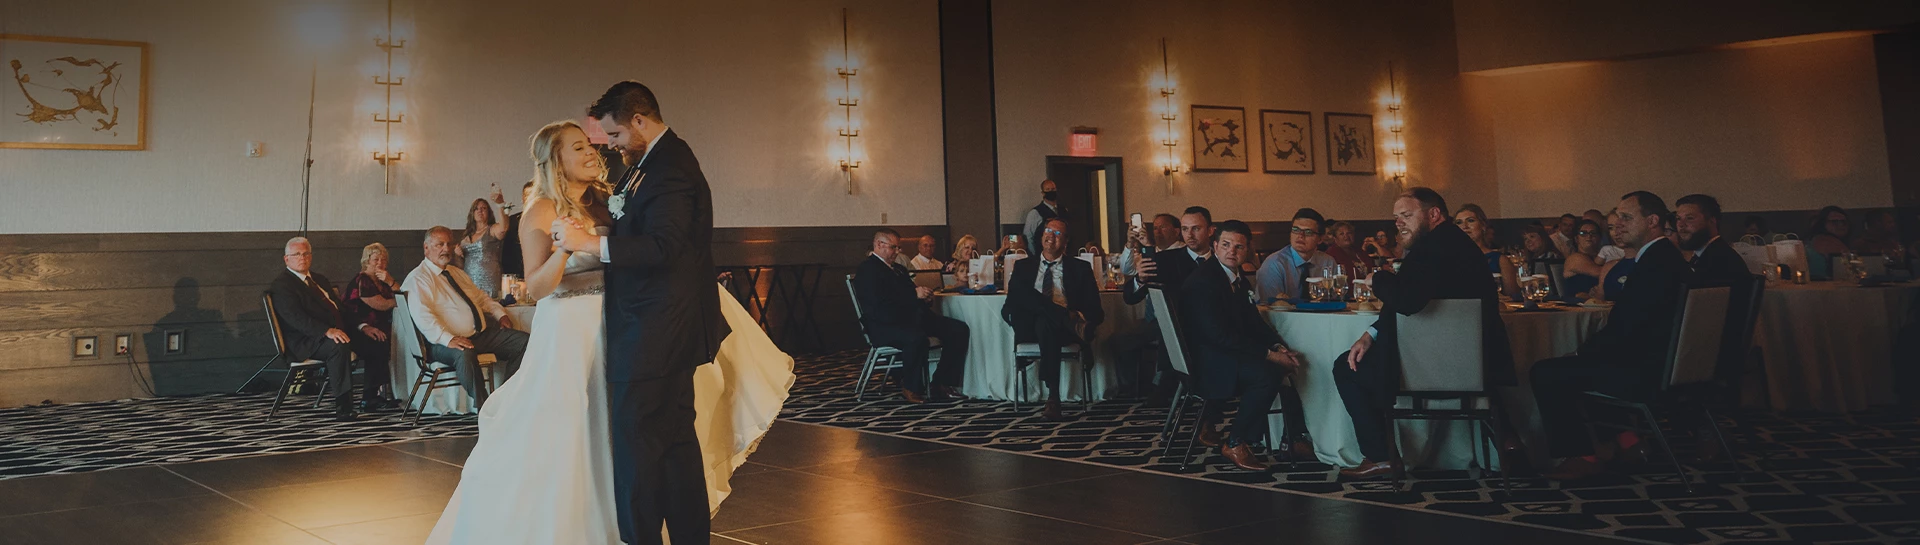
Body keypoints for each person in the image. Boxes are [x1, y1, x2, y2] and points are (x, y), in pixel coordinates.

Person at [431, 119, 792, 545]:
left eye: (590, 146)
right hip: (571, 327)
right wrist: (566, 247)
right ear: (555, 160)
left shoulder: (608, 200)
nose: (590, 153)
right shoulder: (542, 209)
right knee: (578, 422)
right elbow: (538, 285)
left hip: (622, 320)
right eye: (578, 147)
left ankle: (632, 518)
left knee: (625, 426)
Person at [1332, 188, 1517, 479]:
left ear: (1434, 214)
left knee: (1346, 368)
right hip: (1477, 367)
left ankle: (1380, 456)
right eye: (1396, 218)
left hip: (1429, 369)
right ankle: (1509, 443)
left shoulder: (1430, 250)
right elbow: (1419, 299)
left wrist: (1378, 278)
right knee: (1364, 357)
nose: (1399, 224)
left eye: (1406, 215)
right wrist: (1372, 333)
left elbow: (1407, 302)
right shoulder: (1457, 245)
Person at [1531, 191, 1692, 481]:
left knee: (1546, 373)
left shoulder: (1655, 264)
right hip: (1667, 364)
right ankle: (1630, 442)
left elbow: (1628, 328)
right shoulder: (1665, 257)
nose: (1618, 225)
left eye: (1627, 218)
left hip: (1649, 371)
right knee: (1589, 365)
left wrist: (1581, 353)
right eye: (1617, 218)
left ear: (1653, 221)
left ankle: (1584, 457)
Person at [1179, 220, 1310, 471]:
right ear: (1215, 246)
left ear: (1247, 250)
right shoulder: (1203, 282)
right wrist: (1269, 355)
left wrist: (1278, 346)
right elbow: (1217, 335)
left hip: (1224, 353)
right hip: (1207, 361)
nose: (1232, 251)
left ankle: (1292, 438)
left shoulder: (1238, 279)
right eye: (1226, 245)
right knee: (1266, 375)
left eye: (1239, 247)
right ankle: (1237, 441)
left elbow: (1253, 323)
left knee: (1288, 367)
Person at [405, 227, 530, 407]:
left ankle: (506, 400)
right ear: (426, 248)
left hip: (478, 335)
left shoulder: (456, 273)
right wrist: (448, 339)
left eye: (449, 244)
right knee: (464, 353)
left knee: (524, 342)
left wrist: (500, 314)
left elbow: (480, 298)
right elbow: (423, 317)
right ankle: (484, 407)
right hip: (440, 343)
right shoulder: (418, 278)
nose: (446, 249)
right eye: (439, 244)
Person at [853, 228, 970, 404]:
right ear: (879, 245)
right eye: (894, 247)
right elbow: (879, 303)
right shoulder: (867, 270)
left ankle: (942, 382)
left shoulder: (899, 269)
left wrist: (925, 298)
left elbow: (909, 293)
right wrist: (914, 295)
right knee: (916, 338)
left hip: (913, 317)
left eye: (898, 248)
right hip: (885, 323)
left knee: (958, 330)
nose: (898, 252)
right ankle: (911, 386)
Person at [1004, 218, 1105, 420]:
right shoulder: (1023, 266)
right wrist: (1065, 314)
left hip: (1062, 332)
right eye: (1048, 231)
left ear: (1066, 242)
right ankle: (1065, 317)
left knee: (1046, 322)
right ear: (1041, 237)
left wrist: (1080, 316)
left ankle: (1053, 397)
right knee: (1027, 295)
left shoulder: (1080, 268)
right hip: (1029, 325)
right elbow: (1011, 304)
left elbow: (1096, 310)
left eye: (1058, 233)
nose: (1051, 236)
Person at [267, 237, 361, 421]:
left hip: (335, 332)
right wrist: (327, 331)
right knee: (338, 346)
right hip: (305, 340)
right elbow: (296, 319)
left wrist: (362, 326)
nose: (302, 258)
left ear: (311, 256)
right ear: (287, 259)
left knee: (374, 338)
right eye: (296, 255)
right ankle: (344, 406)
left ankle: (373, 397)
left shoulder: (319, 279)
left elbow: (340, 309)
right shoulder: (282, 285)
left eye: (305, 254)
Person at [341, 242, 401, 412]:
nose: (380, 263)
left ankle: (391, 392)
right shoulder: (362, 280)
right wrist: (397, 302)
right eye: (375, 259)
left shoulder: (382, 282)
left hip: (381, 326)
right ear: (366, 261)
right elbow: (380, 304)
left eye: (383, 260)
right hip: (355, 328)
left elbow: (403, 295)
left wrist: (391, 281)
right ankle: (370, 397)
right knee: (378, 344)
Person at [1255, 208, 1339, 302]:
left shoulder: (1328, 262)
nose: (1300, 235)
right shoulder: (1274, 264)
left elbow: (1335, 298)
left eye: (1308, 232)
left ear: (1320, 239)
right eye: (1296, 230)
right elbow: (1272, 306)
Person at [1675, 194, 1747, 286]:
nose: (1681, 224)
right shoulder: (1704, 254)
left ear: (1712, 221)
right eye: (1678, 218)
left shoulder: (1720, 259)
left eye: (1689, 218)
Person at [1454, 204, 1521, 301]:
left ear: (1483, 226)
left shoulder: (1500, 260)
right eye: (1459, 222)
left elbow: (1513, 297)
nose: (1464, 226)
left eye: (1470, 221)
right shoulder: (1449, 258)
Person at [455, 197, 511, 298]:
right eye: (476, 208)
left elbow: (504, 228)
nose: (480, 211)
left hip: (489, 280)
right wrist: (457, 255)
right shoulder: (466, 237)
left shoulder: (492, 229)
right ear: (472, 213)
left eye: (483, 208)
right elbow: (460, 266)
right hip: (469, 281)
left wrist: (500, 204)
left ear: (489, 212)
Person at [497, 181, 534, 280]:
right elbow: (506, 251)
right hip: (515, 273)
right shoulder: (512, 221)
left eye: (533, 194)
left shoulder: (547, 220)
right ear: (522, 198)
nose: (529, 198)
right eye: (526, 195)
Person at [1561, 219, 1605, 301]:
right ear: (1576, 239)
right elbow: (1599, 272)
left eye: (1593, 233)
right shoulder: (1574, 258)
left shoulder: (1603, 256)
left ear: (1599, 238)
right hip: (1576, 306)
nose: (1589, 236)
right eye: (1583, 233)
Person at [1022, 178, 1067, 247]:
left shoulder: (1063, 210)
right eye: (1048, 190)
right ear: (1043, 193)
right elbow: (1028, 237)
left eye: (1053, 189)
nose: (1051, 191)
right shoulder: (1035, 213)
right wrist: (1035, 256)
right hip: (1042, 254)